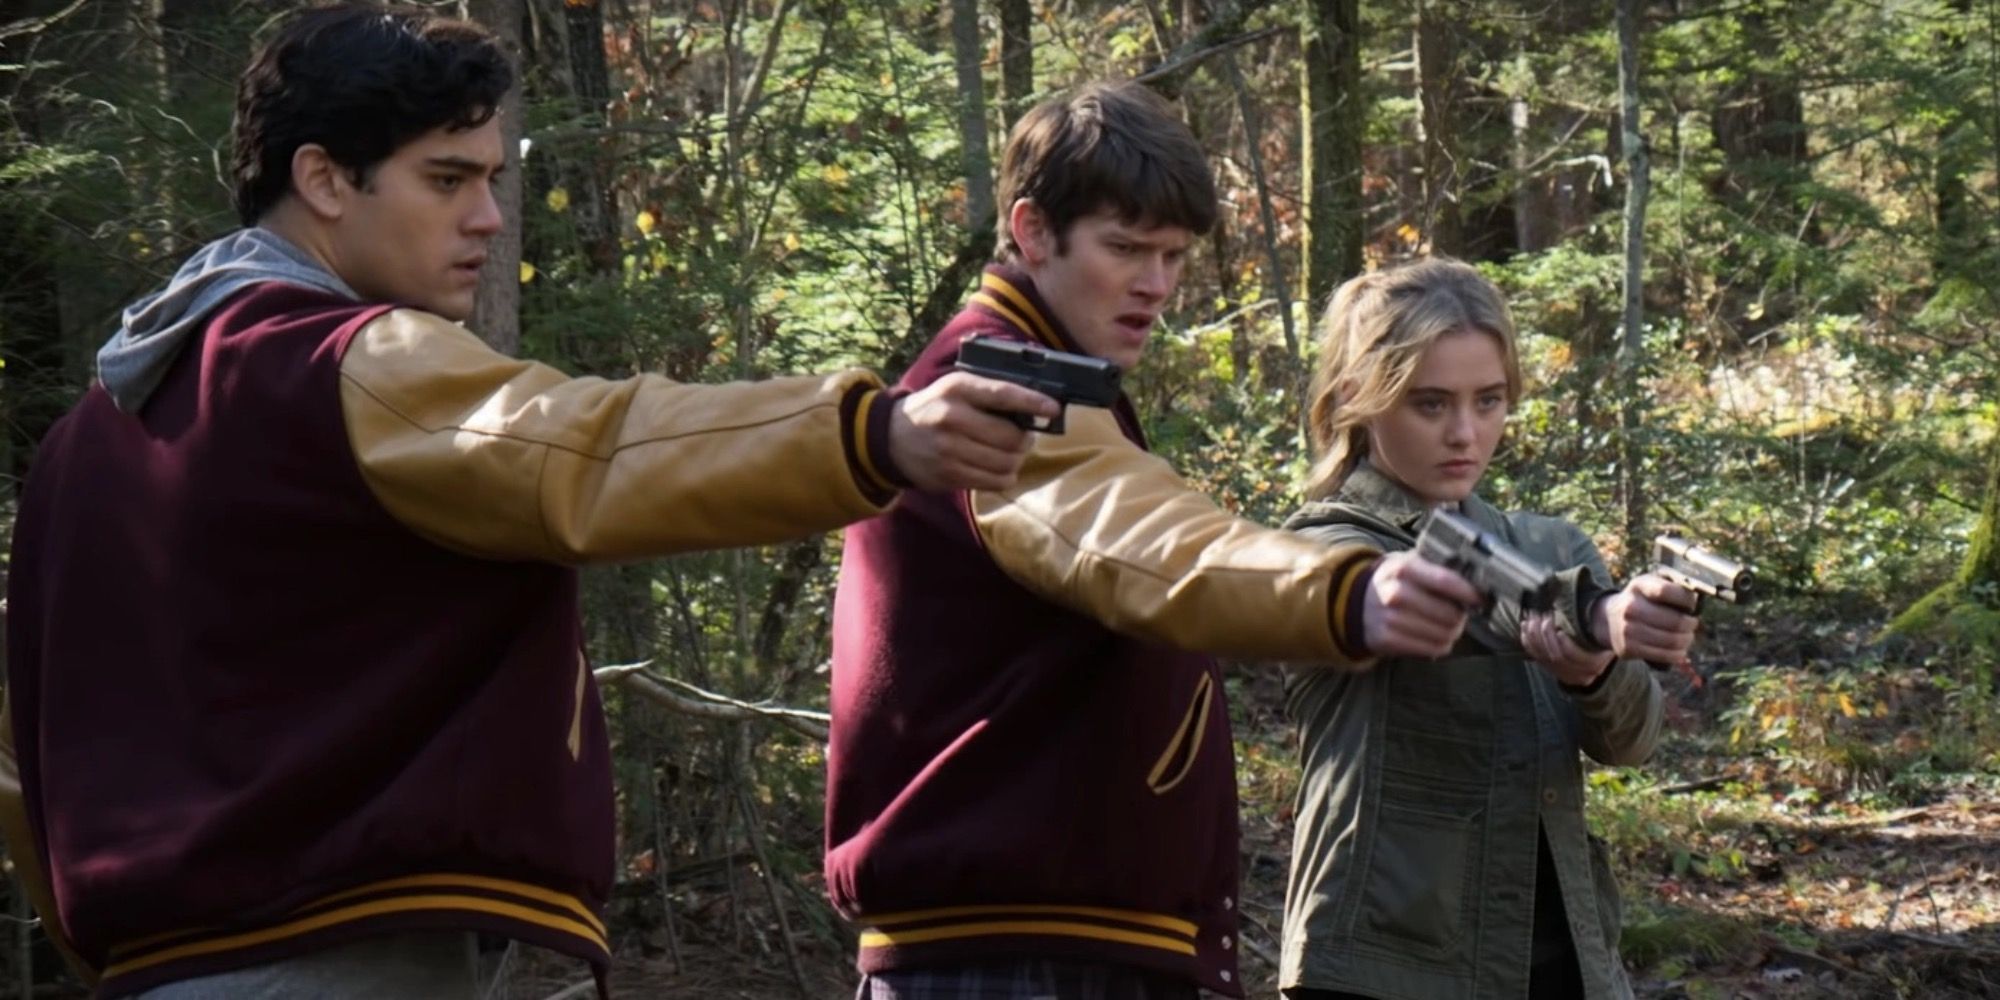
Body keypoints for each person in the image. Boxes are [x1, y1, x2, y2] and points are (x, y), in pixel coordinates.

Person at [0, 4, 1062, 997]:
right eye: (446, 179)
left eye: (493, 179)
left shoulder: (83, 443)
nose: (488, 219)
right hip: (340, 956)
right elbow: (587, 451)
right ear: (323, 178)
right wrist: (873, 433)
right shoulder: (346, 362)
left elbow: (30, 759)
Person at [824, 82, 1485, 1000]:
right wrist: (1349, 593)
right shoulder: (996, 397)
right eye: (1125, 249)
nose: (1157, 284)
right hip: (1015, 958)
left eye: (1173, 255)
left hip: (1043, 943)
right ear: (1031, 231)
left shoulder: (1046, 384)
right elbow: (1152, 547)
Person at [1276, 257, 1701, 1000]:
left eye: (1489, 400)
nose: (1465, 433)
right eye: (1430, 404)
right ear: (1358, 399)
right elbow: (1438, 584)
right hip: (1381, 963)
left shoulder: (1552, 545)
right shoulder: (1325, 543)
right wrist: (1592, 613)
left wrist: (1595, 668)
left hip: (1560, 958)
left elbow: (1631, 740)